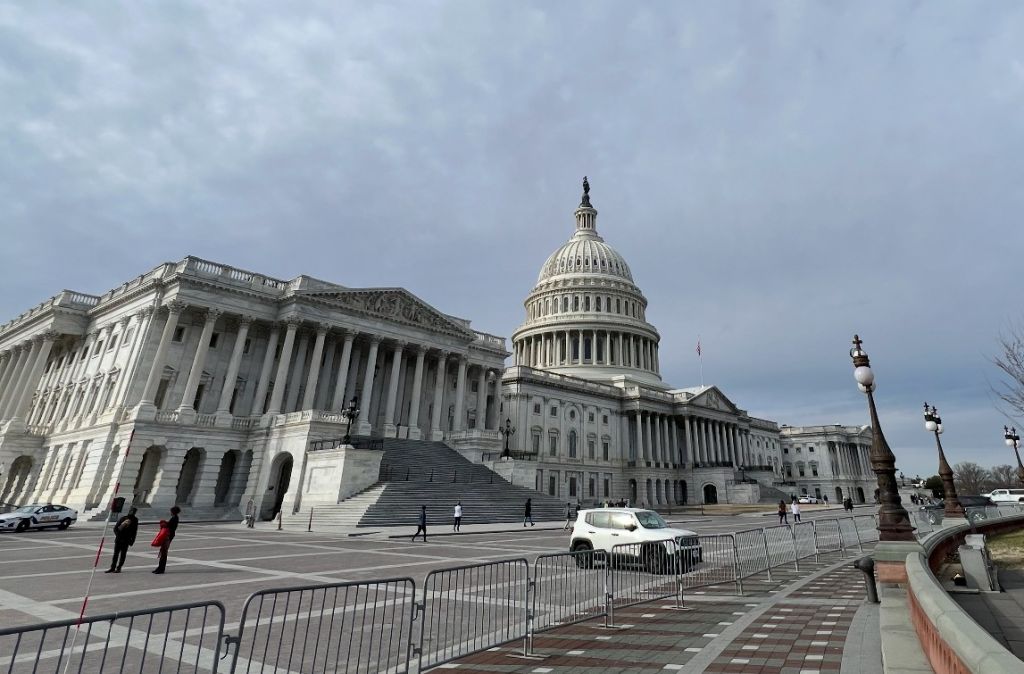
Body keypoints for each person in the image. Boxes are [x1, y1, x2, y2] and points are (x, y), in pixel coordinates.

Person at [105, 507, 139, 573]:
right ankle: (112, 567)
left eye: (134, 511)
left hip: (126, 540)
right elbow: (115, 528)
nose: (132, 512)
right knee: (115, 554)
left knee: (123, 555)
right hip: (119, 539)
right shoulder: (123, 518)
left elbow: (134, 531)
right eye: (131, 511)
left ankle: (119, 568)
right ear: (129, 511)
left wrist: (132, 541)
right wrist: (118, 535)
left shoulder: (135, 520)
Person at [153, 506, 180, 574]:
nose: (170, 512)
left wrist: (165, 524)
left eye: (171, 511)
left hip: (168, 537)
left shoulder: (175, 518)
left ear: (173, 512)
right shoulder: (174, 518)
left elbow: (171, 527)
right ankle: (159, 567)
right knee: (163, 552)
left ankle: (161, 569)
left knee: (164, 553)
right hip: (168, 536)